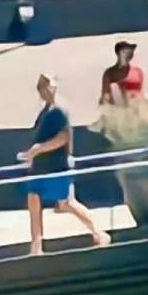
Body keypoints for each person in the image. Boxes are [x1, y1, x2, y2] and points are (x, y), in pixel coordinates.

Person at [17, 72, 111, 258]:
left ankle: (99, 233)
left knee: (67, 203)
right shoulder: (46, 112)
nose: (46, 91)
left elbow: (63, 138)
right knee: (33, 200)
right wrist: (31, 154)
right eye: (43, 88)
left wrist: (37, 150)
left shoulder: (59, 111)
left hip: (57, 166)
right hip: (41, 167)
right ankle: (36, 246)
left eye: (48, 87)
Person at [99, 40, 145, 108]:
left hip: (136, 109)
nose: (129, 54)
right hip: (118, 109)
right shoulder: (110, 73)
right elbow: (105, 96)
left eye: (130, 52)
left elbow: (140, 94)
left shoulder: (137, 72)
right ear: (118, 53)